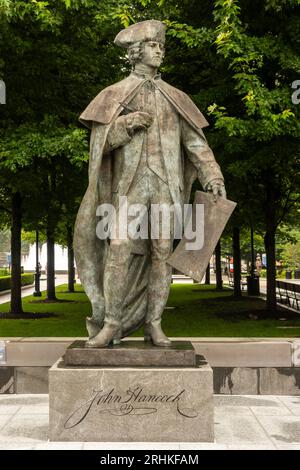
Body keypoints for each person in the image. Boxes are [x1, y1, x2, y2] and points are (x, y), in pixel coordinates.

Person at [74, 20, 226, 348]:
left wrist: (212, 174)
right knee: (118, 248)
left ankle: (154, 323)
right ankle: (112, 324)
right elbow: (98, 145)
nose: (159, 51)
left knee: (161, 253)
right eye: (153, 46)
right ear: (136, 51)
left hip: (166, 186)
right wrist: (123, 125)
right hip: (128, 187)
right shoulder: (113, 95)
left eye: (161, 46)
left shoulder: (176, 98)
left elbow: (195, 144)